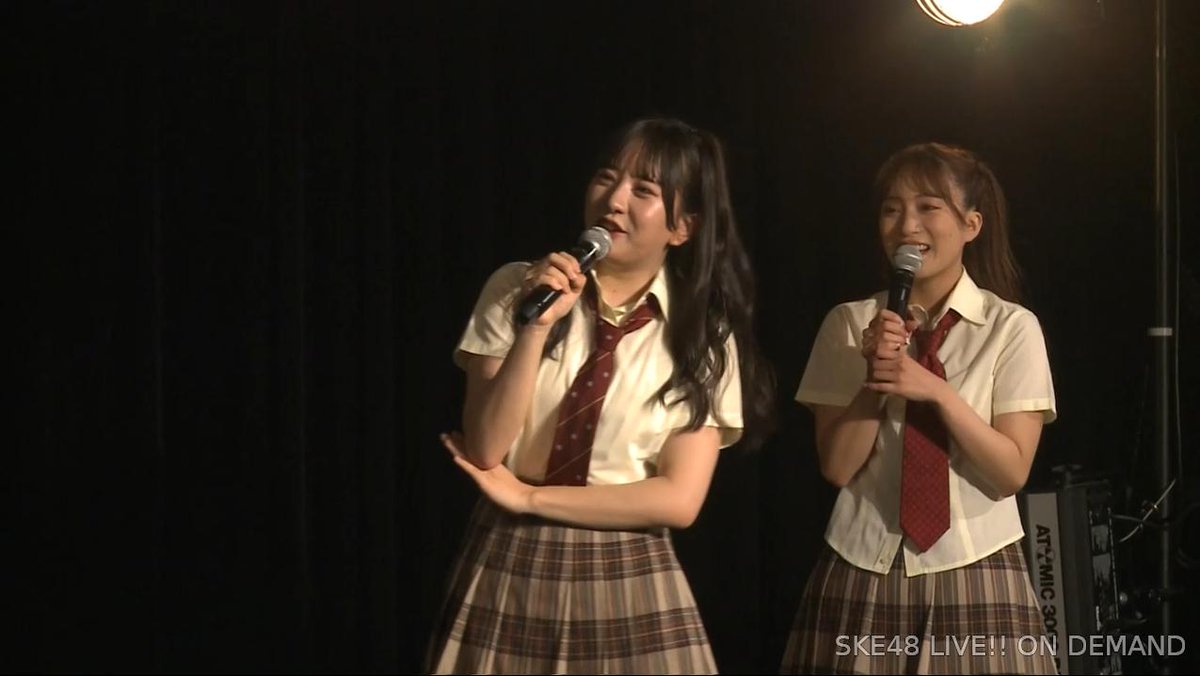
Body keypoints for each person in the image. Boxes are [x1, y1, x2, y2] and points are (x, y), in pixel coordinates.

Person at [426, 117, 775, 675]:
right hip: (509, 555)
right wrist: (535, 327)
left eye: (644, 190)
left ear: (683, 227)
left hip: (628, 560)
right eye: (606, 178)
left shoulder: (704, 335)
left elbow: (680, 499)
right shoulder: (517, 287)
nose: (614, 200)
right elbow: (487, 446)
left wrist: (529, 498)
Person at [779, 142, 1058, 674]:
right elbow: (836, 466)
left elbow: (1011, 471)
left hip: (976, 564)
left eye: (928, 207)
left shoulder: (1011, 328)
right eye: (892, 209)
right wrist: (877, 377)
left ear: (971, 224)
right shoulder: (849, 323)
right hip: (863, 562)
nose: (907, 225)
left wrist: (937, 392)